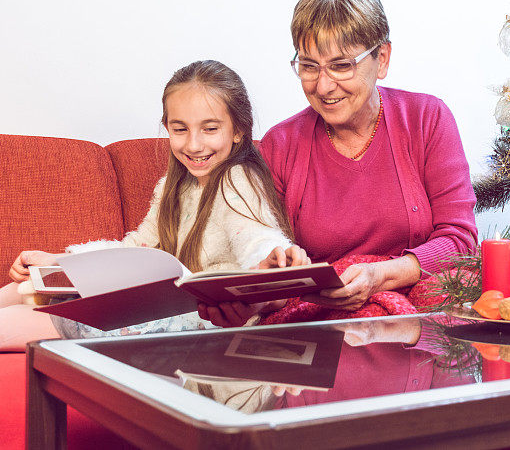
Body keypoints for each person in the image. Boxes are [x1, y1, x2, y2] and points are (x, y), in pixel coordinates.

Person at [1, 60, 308, 350]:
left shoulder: (238, 180)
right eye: (180, 129)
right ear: (167, 127)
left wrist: (272, 259)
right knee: (27, 287)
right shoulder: (172, 187)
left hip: (198, 320)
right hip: (159, 308)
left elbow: (255, 235)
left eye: (210, 129)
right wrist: (59, 261)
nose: (194, 145)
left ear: (239, 130)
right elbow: (136, 248)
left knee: (29, 319)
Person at [258, 0, 478, 314]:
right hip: (322, 327)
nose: (323, 86)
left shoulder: (427, 119)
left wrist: (380, 275)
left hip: (418, 314)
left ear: (382, 59)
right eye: (308, 66)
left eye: (341, 65)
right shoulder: (280, 144)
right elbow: (266, 262)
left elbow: (460, 241)